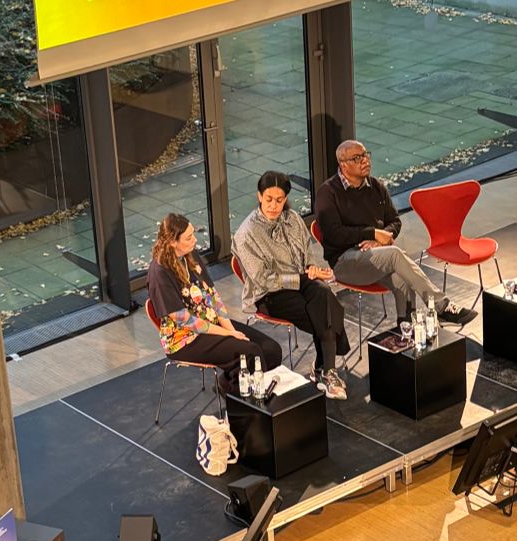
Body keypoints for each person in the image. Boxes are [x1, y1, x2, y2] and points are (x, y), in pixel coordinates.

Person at [315, 140, 477, 328]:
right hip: (345, 262)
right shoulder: (328, 193)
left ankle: (406, 326)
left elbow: (395, 221)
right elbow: (333, 234)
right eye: (357, 158)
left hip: (377, 255)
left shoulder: (376, 186)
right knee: (396, 255)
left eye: (366, 155)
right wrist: (372, 233)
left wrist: (381, 239)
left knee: (403, 277)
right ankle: (441, 306)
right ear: (343, 164)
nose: (365, 160)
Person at [233, 170, 351, 401]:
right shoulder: (246, 233)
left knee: (324, 293)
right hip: (268, 294)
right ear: (259, 196)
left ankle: (326, 371)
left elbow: (307, 254)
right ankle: (325, 370)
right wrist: (303, 278)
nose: (274, 206)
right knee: (325, 310)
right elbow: (262, 279)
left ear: (286, 199)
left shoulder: (294, 219)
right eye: (269, 199)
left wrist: (312, 269)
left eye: (279, 200)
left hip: (302, 283)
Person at [147, 213, 281, 394]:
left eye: (193, 234)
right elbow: (185, 320)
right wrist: (227, 333)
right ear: (172, 242)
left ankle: (230, 385)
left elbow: (212, 296)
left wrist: (231, 331)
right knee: (250, 352)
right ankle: (247, 406)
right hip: (185, 338)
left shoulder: (189, 254)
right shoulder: (159, 272)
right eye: (188, 238)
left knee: (270, 349)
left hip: (211, 323)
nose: (195, 240)